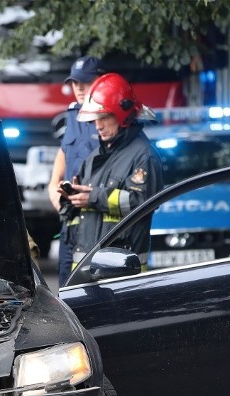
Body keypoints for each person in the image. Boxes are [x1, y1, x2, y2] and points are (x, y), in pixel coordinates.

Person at [65, 72, 163, 269]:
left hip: (121, 270)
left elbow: (141, 203)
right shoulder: (95, 156)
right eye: (94, 119)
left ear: (123, 115)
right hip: (85, 266)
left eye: (104, 117)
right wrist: (70, 198)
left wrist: (93, 197)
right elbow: (82, 209)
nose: (97, 126)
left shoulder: (143, 156)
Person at [48, 56, 104, 286]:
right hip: (70, 221)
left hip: (97, 220)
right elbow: (62, 159)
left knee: (92, 289)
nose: (79, 88)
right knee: (66, 287)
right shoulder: (72, 114)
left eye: (85, 81)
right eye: (74, 82)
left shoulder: (108, 118)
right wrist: (55, 192)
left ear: (101, 81)